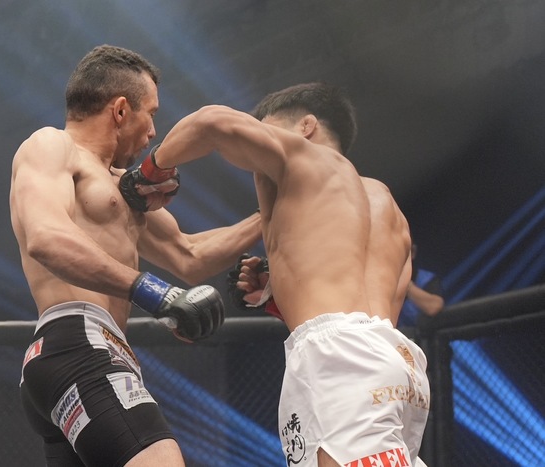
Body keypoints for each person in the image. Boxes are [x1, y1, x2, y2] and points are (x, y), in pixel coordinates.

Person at [120, 83, 430, 467]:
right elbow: (366, 314)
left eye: (267, 130)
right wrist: (275, 298)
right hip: (400, 365)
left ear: (306, 127)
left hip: (342, 363)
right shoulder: (386, 204)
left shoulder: (307, 159)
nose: (259, 152)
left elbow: (211, 122)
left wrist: (150, 172)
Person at [9, 44, 261, 467]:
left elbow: (191, 255)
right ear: (121, 110)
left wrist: (272, 213)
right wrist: (155, 293)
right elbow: (46, 237)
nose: (153, 132)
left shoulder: (123, 186)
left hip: (97, 350)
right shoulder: (51, 146)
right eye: (152, 114)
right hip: (77, 342)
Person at [397, 244, 445, 328]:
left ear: (413, 252)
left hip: (426, 333)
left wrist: (406, 285)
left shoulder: (427, 279)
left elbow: (434, 306)